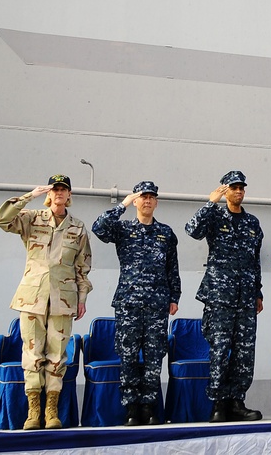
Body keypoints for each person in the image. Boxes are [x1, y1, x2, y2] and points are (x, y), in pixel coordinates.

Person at [0, 174, 92, 430]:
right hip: (33, 297)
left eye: (64, 189)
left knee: (57, 356)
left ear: (69, 195)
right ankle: (33, 410)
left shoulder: (78, 228)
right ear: (49, 194)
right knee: (32, 353)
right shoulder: (32, 218)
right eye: (55, 189)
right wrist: (30, 195)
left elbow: (82, 268)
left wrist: (82, 298)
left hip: (63, 299)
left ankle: (52, 410)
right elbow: (2, 219)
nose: (59, 192)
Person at [92, 180, 181, 426]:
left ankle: (149, 407)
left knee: (154, 357)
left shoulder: (166, 233)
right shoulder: (123, 230)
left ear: (157, 201)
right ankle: (132, 408)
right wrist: (122, 204)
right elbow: (99, 227)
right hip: (129, 303)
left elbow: (172, 267)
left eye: (152, 196)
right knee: (129, 356)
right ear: (136, 201)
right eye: (143, 196)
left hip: (157, 304)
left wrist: (175, 296)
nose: (148, 200)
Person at [186, 170, 264, 423]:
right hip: (220, 296)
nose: (239, 191)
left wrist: (258, 293)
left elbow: (255, 261)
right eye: (233, 187)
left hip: (245, 298)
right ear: (224, 190)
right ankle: (219, 404)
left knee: (244, 353)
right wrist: (211, 203)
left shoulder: (252, 223)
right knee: (220, 351)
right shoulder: (215, 216)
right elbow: (192, 230)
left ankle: (237, 401)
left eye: (242, 187)